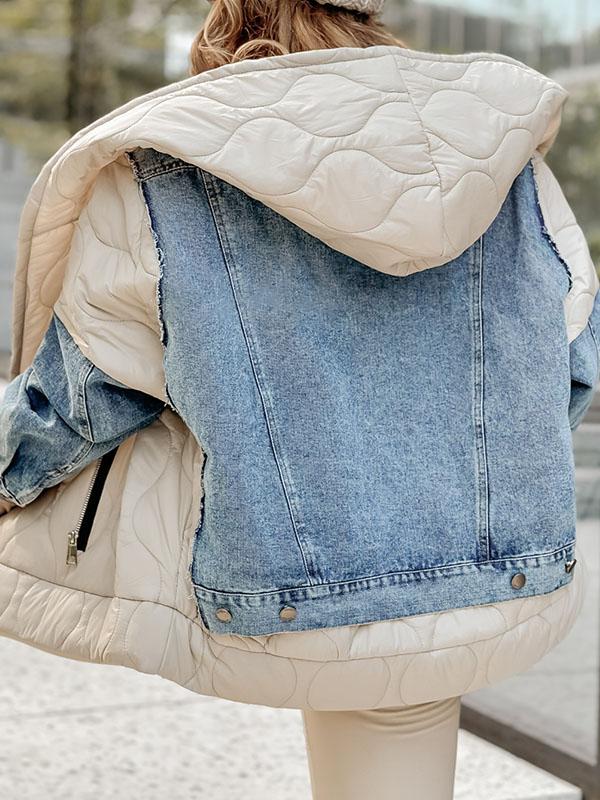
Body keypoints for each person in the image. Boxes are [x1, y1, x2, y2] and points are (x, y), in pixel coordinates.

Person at [0, 0, 598, 797]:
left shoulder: (160, 172)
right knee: (398, 721)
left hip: (281, 591)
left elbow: (80, 398)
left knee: (350, 676)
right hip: (504, 574)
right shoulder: (508, 161)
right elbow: (573, 361)